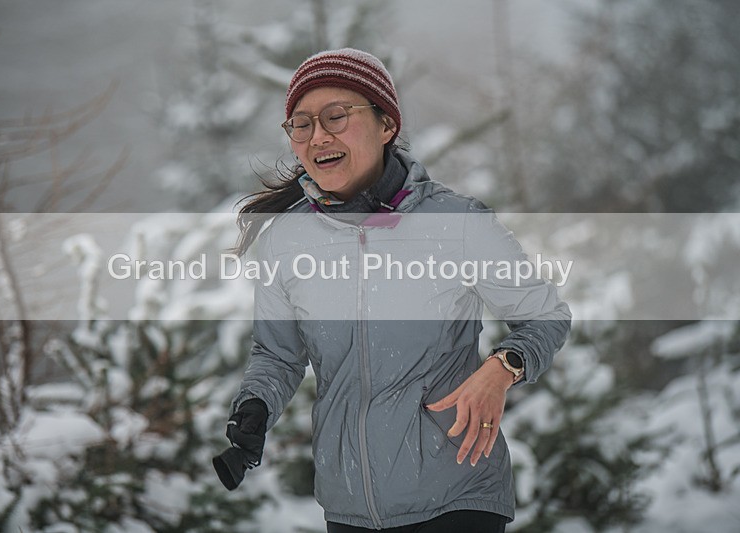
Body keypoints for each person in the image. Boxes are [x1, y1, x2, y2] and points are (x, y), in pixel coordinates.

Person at [215, 48, 571, 532]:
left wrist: (501, 368)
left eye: (336, 117)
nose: (318, 135)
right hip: (350, 507)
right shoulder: (286, 239)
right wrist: (255, 406)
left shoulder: (456, 222)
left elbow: (544, 315)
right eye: (301, 124)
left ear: (386, 126)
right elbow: (277, 355)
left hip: (457, 496)